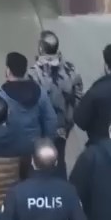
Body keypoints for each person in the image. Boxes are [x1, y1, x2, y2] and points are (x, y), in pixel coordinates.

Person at [31, 30, 84, 160]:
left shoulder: (34, 73)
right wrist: (70, 115)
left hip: (42, 126)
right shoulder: (70, 69)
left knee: (41, 159)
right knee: (60, 157)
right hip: (64, 125)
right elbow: (79, 93)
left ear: (41, 48)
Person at [0, 52, 58, 151]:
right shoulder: (40, 92)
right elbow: (51, 119)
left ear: (8, 71)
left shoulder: (1, 96)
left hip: (10, 148)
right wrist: (47, 141)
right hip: (35, 146)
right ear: (25, 71)